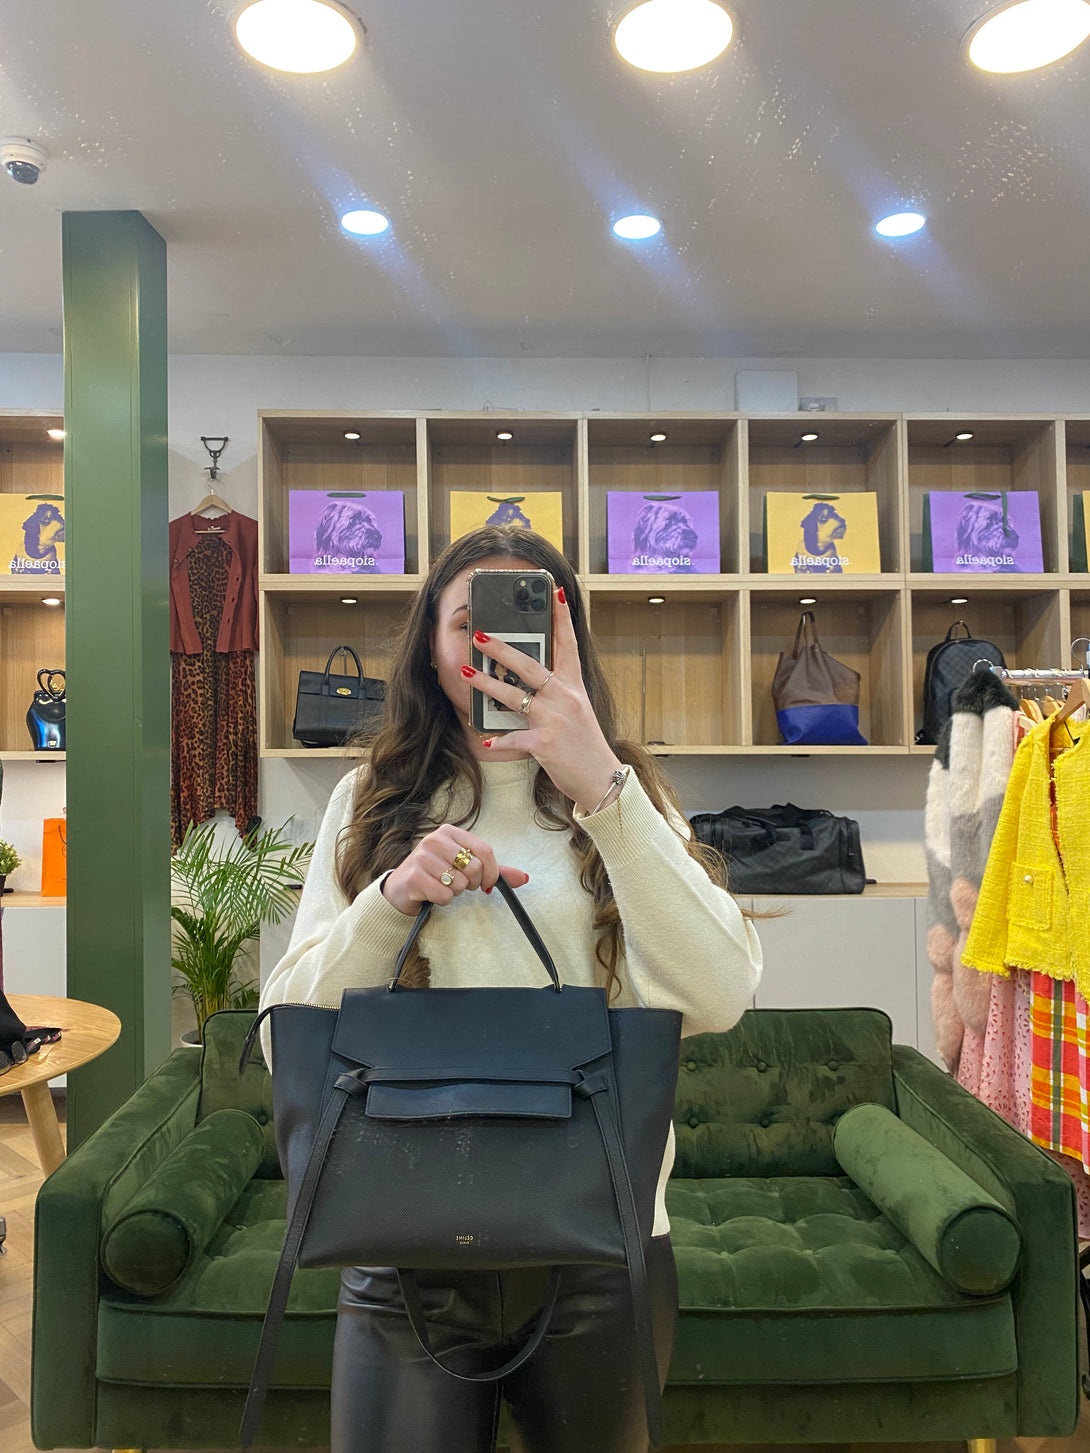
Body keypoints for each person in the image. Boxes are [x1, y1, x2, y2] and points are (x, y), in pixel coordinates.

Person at [260, 524, 762, 1453]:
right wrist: (390, 900)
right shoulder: (368, 798)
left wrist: (603, 790)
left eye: (523, 622)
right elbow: (282, 1032)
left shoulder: (625, 794)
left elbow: (723, 993)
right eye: (468, 623)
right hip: (400, 1239)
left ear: (567, 642)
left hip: (601, 1246)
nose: (494, 648)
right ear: (430, 646)